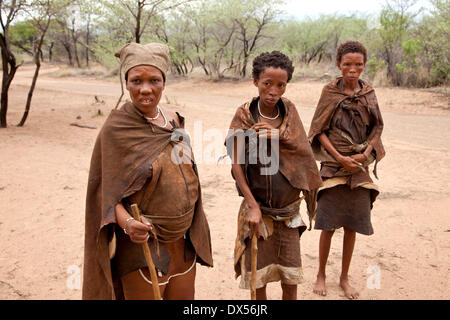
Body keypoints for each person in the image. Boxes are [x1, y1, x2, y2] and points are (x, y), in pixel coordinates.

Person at [82, 42, 213, 300]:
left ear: (164, 82)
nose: (145, 89)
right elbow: (105, 195)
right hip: (144, 248)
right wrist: (129, 223)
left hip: (183, 242)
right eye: (136, 81)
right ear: (126, 83)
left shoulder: (173, 119)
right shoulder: (117, 129)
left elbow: (186, 172)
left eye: (154, 80)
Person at [225, 51, 322, 300]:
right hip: (259, 213)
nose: (273, 91)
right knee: (259, 281)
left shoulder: (289, 112)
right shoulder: (244, 115)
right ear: (255, 81)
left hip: (289, 214)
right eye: (267, 83)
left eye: (281, 85)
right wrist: (252, 206)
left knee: (290, 280)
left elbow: (304, 152)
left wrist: (280, 137)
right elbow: (237, 165)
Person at [308, 41, 385, 299]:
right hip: (333, 165)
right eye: (347, 64)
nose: (353, 70)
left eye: (358, 65)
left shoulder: (368, 93)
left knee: (352, 225)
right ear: (339, 64)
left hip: (360, 166)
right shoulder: (329, 92)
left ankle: (343, 277)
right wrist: (340, 157)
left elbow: (377, 127)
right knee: (327, 224)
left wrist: (364, 154)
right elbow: (318, 130)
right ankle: (321, 273)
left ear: (364, 65)